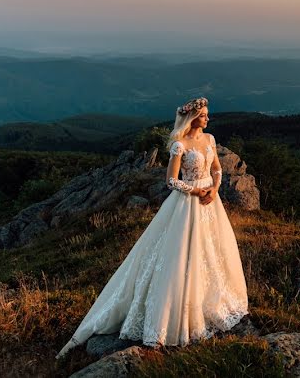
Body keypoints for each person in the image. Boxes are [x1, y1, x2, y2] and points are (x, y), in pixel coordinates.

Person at [56, 97, 248, 359]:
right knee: (179, 256)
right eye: (203, 115)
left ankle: (205, 301)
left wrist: (213, 190)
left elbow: (216, 169)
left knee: (211, 252)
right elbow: (170, 181)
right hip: (186, 204)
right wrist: (195, 190)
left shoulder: (210, 140)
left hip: (210, 203)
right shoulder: (179, 145)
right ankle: (172, 314)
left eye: (207, 115)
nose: (207, 119)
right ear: (192, 118)